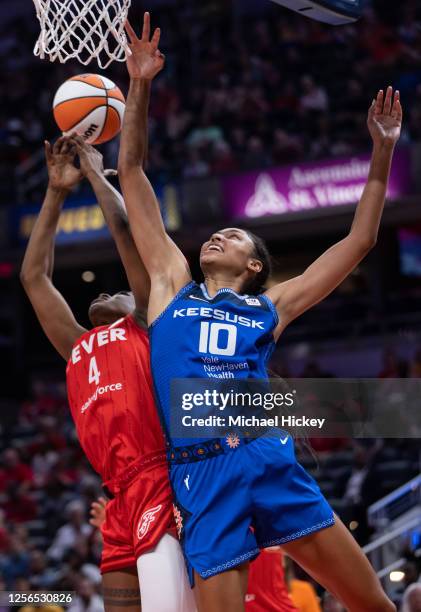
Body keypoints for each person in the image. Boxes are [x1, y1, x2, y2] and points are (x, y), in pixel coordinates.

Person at [119, 12, 401, 612]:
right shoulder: (172, 285)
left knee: (372, 602)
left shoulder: (270, 305)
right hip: (201, 471)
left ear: (253, 267)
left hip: (264, 454)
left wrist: (381, 153)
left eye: (234, 236)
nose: (218, 237)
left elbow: (359, 243)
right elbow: (133, 172)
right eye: (215, 234)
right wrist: (140, 84)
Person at [20, 135, 195, 612]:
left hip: (161, 476)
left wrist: (98, 175)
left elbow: (126, 237)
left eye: (116, 291)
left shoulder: (146, 323)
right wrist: (55, 193)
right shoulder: (77, 346)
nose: (104, 295)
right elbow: (34, 278)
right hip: (118, 496)